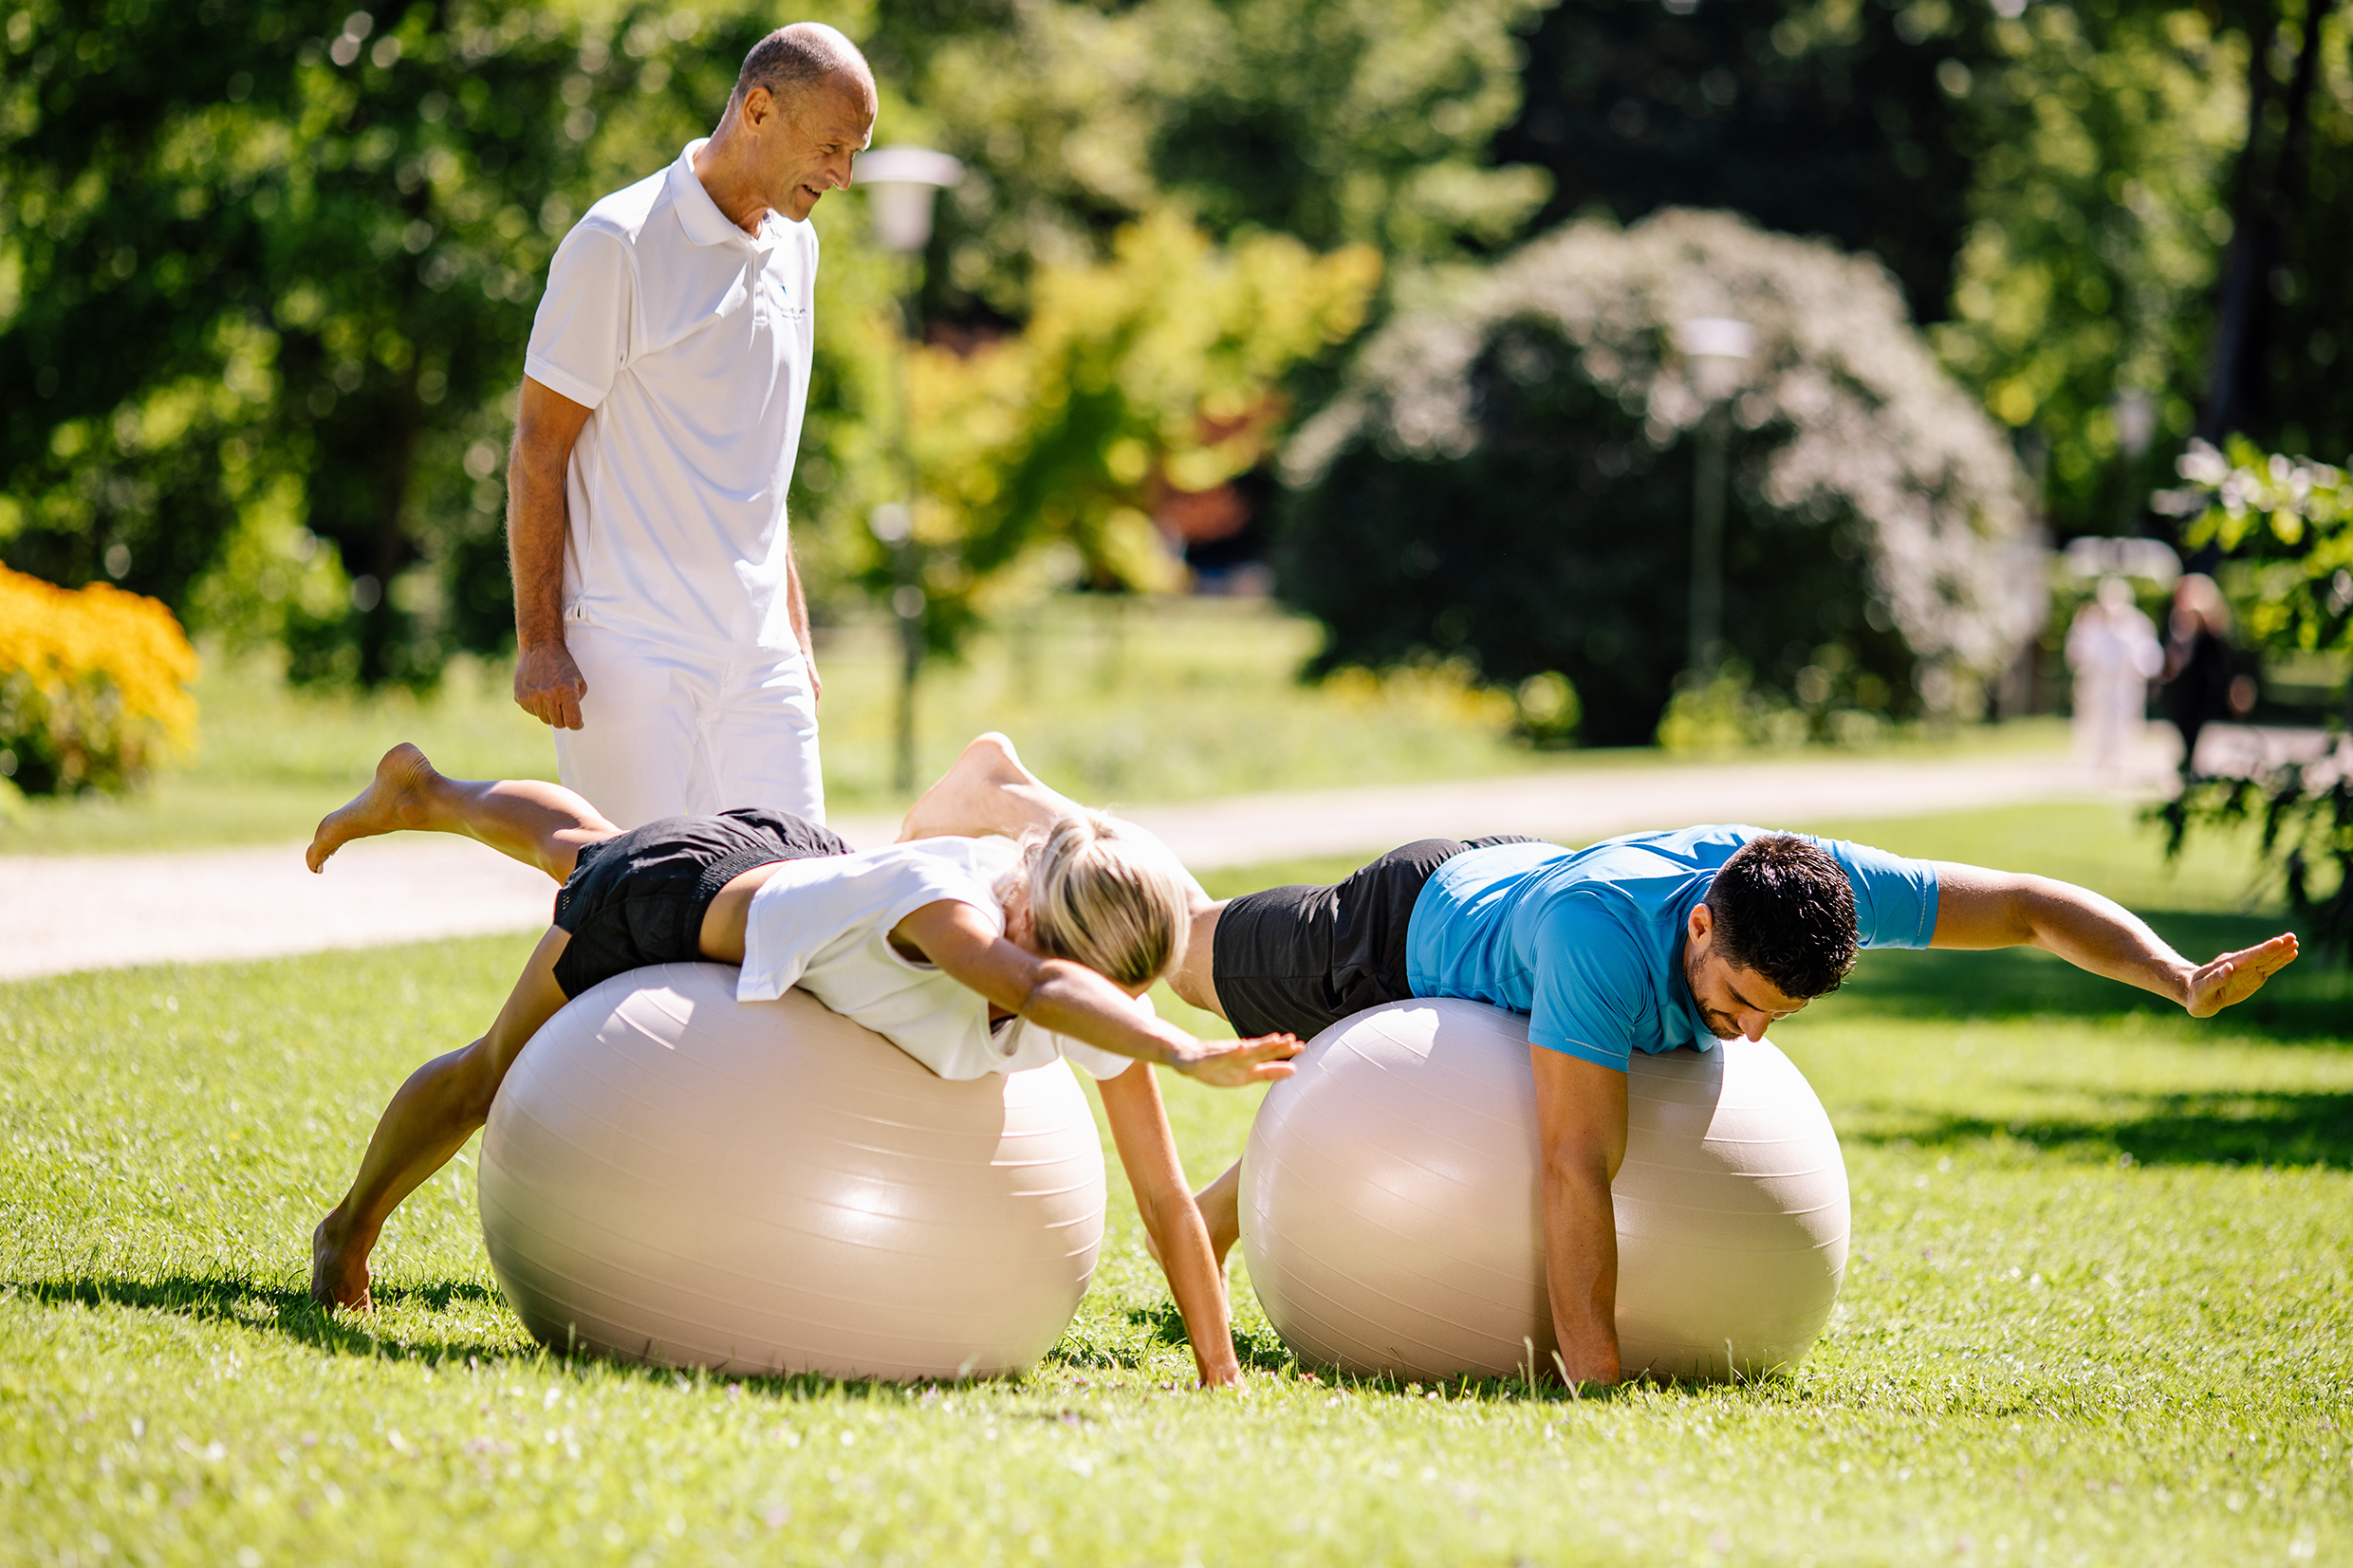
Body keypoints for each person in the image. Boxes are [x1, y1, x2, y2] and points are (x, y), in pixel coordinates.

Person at [898, 732, 2302, 1388]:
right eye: (1737, 999)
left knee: (1354, 1099)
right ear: (1699, 923)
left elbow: (2029, 904)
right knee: (1185, 949)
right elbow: (1576, 1163)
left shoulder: (1805, 883)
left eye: (1773, 1019)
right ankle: (1021, 803)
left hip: (1506, 892)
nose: (1745, 1035)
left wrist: (2175, 976)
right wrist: (1600, 1376)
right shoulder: (1601, 944)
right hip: (1403, 928)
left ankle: (1205, 1225)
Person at [300, 745, 1302, 1389]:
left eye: (1130, 994)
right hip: (690, 903)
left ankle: (423, 787)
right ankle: (347, 1232)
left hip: (803, 859)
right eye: (1103, 986)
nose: (1119, 1011)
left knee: (588, 840)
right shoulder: (945, 906)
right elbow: (1027, 991)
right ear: (1036, 920)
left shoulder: (1098, 993)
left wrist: (1219, 1373)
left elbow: (1166, 1199)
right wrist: (1182, 1048)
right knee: (501, 1050)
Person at [509, 24, 876, 830]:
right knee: (638, 916)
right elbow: (539, 447)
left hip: (760, 657)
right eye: (832, 147)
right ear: (758, 109)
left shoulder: (798, 248)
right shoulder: (619, 243)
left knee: (797, 899)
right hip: (630, 651)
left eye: (855, 154)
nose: (843, 177)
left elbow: (760, 469)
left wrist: (795, 634)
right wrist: (539, 639)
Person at [2065, 576, 2163, 785]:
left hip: (2125, 684)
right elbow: (2078, 652)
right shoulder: (2092, 622)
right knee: (2095, 723)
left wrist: (2136, 665)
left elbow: (2150, 655)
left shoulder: (2137, 623)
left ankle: (2119, 763)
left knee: (2124, 722)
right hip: (2099, 683)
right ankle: (2097, 763)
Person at [2160, 573, 2241, 778]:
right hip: (2182, 685)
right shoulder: (2176, 620)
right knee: (2183, 722)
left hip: (2203, 685)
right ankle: (2189, 760)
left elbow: (2223, 658)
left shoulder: (2212, 627)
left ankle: (2192, 762)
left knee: (2198, 723)